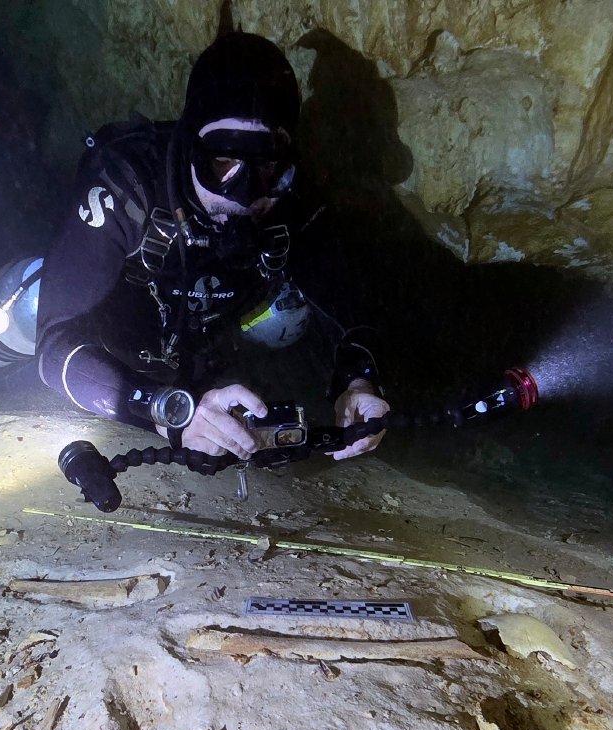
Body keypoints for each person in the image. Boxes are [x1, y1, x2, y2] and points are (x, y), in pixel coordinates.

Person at [35, 31, 389, 463]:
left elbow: (352, 302)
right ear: (189, 145)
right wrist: (167, 410)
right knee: (23, 308)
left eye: (267, 166)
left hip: (213, 344)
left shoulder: (295, 200)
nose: (242, 193)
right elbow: (54, 344)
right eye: (222, 163)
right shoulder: (128, 188)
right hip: (111, 343)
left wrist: (357, 380)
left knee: (292, 314)